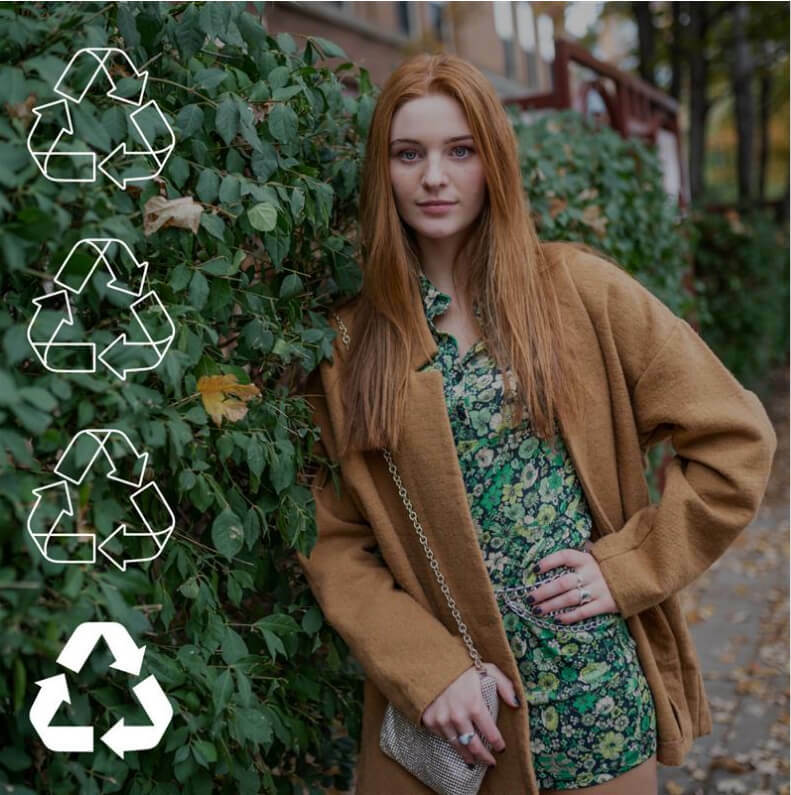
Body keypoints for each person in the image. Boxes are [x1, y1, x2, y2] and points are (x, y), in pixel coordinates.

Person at [295, 53, 776, 795]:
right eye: (408, 153)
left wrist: (629, 567)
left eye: (460, 150)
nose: (433, 177)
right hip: (456, 723)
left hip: (594, 703)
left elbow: (734, 438)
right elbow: (333, 543)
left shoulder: (578, 291)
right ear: (381, 171)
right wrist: (427, 668)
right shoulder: (350, 345)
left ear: (492, 161)